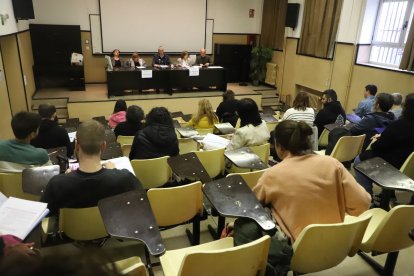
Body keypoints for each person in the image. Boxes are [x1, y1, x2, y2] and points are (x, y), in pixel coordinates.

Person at [232, 120, 370, 275]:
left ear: (280, 147)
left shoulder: (273, 174)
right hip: (337, 247)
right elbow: (363, 203)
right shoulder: (333, 164)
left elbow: (251, 208)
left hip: (297, 252)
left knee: (245, 225)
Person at [41, 120, 141, 217]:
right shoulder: (125, 178)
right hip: (113, 233)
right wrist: (114, 172)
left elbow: (44, 215)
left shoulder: (57, 184)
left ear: (77, 145)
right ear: (103, 146)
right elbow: (139, 206)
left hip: (72, 234)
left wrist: (65, 178)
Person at [355, 93, 414, 197]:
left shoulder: (398, 125)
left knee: (358, 161)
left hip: (391, 165)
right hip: (407, 166)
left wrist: (375, 141)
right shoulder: (394, 120)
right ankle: (387, 195)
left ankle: (367, 197)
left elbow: (378, 147)